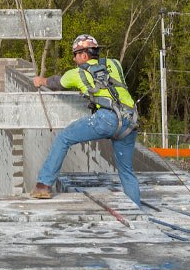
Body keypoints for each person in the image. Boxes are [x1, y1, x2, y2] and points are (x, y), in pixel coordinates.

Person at [31, 34, 141, 207]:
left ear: (83, 55)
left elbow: (55, 82)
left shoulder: (77, 74)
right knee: (126, 171)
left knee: (64, 137)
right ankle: (136, 210)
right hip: (130, 120)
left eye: (75, 55)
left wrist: (40, 81)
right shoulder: (115, 64)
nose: (74, 59)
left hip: (106, 119)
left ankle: (43, 185)